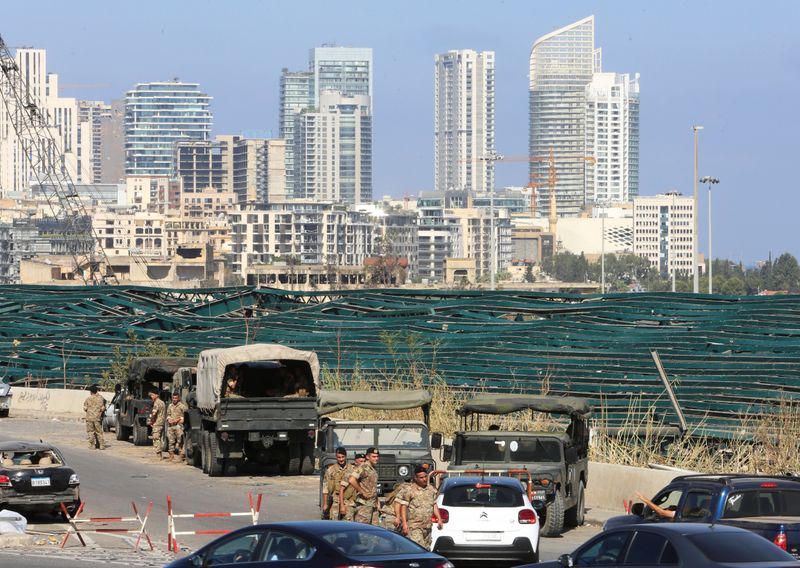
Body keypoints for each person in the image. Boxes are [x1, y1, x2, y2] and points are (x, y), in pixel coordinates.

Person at [400, 465, 443, 549]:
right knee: (418, 548)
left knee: (426, 549)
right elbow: (403, 507)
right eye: (421, 477)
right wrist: (404, 524)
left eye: (425, 476)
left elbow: (434, 504)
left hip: (427, 527)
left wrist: (439, 519)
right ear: (416, 478)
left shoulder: (431, 489)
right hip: (415, 527)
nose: (424, 479)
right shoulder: (409, 490)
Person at [344, 449, 379, 524]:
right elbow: (352, 479)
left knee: (373, 530)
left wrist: (377, 501)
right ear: (367, 457)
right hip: (364, 505)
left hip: (372, 504)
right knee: (363, 530)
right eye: (374, 456)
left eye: (377, 456)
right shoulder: (363, 467)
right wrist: (362, 491)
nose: (376, 458)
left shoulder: (373, 469)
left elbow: (373, 487)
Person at [322, 447, 352, 520]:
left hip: (349, 500)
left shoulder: (352, 469)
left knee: (348, 524)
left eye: (343, 457)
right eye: (339, 457)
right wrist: (325, 503)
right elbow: (325, 487)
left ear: (346, 456)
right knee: (334, 522)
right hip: (335, 499)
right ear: (336, 457)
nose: (341, 459)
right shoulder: (331, 470)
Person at [83, 385, 107, 450]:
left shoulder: (88, 399)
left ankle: (92, 445)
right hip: (97, 418)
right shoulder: (101, 398)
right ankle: (101, 445)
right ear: (97, 391)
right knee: (99, 432)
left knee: (90, 432)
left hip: (89, 418)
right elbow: (103, 408)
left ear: (91, 391)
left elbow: (85, 408)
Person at [166, 392, 188, 462]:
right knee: (170, 441)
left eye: (175, 398)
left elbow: (185, 416)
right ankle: (171, 456)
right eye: (173, 398)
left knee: (180, 441)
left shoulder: (182, 406)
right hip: (171, 426)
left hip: (179, 426)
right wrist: (169, 419)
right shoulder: (170, 406)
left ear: (178, 398)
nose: (174, 399)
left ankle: (181, 456)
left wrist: (178, 420)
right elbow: (168, 414)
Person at [148, 389, 166, 459]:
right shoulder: (162, 402)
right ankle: (159, 454)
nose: (151, 397)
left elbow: (154, 413)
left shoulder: (156, 403)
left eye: (152, 395)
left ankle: (159, 455)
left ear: (157, 395)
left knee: (156, 438)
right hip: (162, 422)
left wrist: (151, 421)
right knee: (160, 438)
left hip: (157, 423)